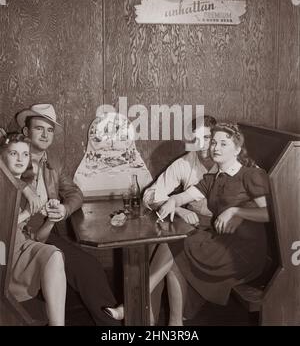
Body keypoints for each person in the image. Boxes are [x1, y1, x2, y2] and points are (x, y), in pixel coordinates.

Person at [149, 123, 270, 325]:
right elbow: (182, 196)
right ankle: (175, 324)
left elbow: (271, 214)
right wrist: (173, 202)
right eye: (213, 142)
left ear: (237, 149)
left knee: (176, 244)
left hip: (243, 252)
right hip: (222, 242)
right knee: (175, 247)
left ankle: (138, 297)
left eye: (224, 144)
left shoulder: (251, 175)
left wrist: (236, 211)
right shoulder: (212, 178)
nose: (216, 148)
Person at [105, 115, 218, 324]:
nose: (202, 143)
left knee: (172, 245)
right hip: (195, 227)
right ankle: (152, 322)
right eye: (196, 137)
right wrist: (179, 208)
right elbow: (150, 195)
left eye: (208, 137)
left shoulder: (227, 160)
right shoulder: (186, 162)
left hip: (220, 233)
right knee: (165, 244)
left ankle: (135, 305)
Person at [15, 103, 120, 326]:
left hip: (46, 232)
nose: (45, 135)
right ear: (26, 132)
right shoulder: (12, 158)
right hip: (17, 236)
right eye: (39, 128)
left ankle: (112, 326)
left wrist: (64, 210)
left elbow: (74, 193)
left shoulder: (53, 164)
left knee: (88, 266)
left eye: (50, 130)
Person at [0, 131, 66, 326]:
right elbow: (4, 232)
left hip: (20, 247)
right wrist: (28, 211)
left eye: (25, 154)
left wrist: (51, 220)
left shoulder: (26, 185)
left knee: (54, 255)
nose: (20, 159)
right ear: (3, 156)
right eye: (13, 154)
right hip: (3, 252)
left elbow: (38, 240)